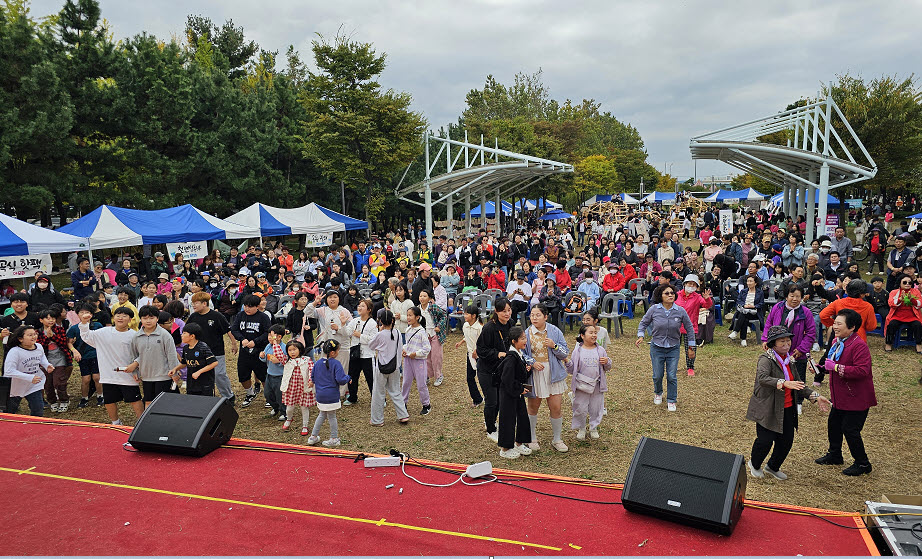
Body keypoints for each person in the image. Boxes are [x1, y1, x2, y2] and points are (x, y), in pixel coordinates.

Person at [746, 325, 830, 480]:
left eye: (788, 340)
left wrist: (816, 396)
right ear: (772, 344)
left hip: (788, 408)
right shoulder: (766, 359)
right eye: (781, 341)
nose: (786, 344)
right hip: (769, 407)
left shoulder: (789, 360)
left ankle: (773, 466)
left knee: (786, 442)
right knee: (765, 441)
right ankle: (755, 464)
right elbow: (763, 379)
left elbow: (798, 383)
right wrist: (784, 383)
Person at [814, 309, 877, 476]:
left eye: (839, 324)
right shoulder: (837, 341)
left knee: (850, 430)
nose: (834, 326)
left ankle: (863, 463)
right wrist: (820, 368)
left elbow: (862, 371)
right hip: (840, 396)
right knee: (834, 425)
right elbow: (831, 363)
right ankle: (835, 455)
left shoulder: (859, 345)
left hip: (856, 397)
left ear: (852, 327)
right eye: (834, 323)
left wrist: (835, 367)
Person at [78, 306, 143, 425]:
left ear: (130, 320)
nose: (120, 318)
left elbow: (142, 354)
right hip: (108, 374)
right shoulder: (104, 332)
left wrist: (136, 368)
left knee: (135, 399)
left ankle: (142, 422)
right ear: (113, 318)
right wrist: (84, 322)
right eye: (118, 315)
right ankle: (115, 422)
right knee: (109, 400)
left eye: (124, 316)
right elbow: (86, 336)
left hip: (127, 375)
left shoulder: (135, 336)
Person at [636, 284, 695, 412]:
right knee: (657, 375)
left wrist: (691, 346)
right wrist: (641, 335)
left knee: (672, 375)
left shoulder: (680, 311)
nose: (670, 295)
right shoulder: (654, 309)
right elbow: (643, 323)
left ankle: (672, 400)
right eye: (666, 293)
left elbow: (689, 328)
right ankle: (658, 392)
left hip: (673, 347)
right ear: (660, 296)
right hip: (657, 346)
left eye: (672, 293)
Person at [523, 304, 570, 452]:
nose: (534, 318)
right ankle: (531, 438)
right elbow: (521, 353)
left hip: (553, 373)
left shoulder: (555, 331)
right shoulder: (526, 333)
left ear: (545, 316)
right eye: (532, 315)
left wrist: (554, 346)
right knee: (532, 406)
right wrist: (532, 362)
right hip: (534, 375)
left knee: (556, 406)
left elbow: (565, 352)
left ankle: (557, 439)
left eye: (537, 315)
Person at [125, 305, 181, 406]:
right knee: (148, 402)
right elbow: (134, 355)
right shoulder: (136, 336)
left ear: (157, 318)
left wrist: (175, 372)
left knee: (163, 404)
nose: (148, 321)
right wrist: (135, 371)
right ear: (140, 319)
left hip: (164, 376)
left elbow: (171, 355)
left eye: (151, 318)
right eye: (145, 318)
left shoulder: (165, 335)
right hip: (146, 376)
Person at [476, 298, 513, 442]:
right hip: (486, 370)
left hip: (501, 370)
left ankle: (491, 422)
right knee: (492, 401)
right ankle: (490, 429)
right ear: (496, 312)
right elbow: (481, 350)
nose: (507, 313)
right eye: (503, 311)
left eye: (509, 310)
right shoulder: (489, 328)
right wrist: (497, 354)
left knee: (499, 400)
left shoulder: (510, 324)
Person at [567, 324, 611, 440]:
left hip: (597, 385)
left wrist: (607, 361)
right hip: (581, 385)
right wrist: (567, 362)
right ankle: (581, 427)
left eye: (595, 333)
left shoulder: (600, 350)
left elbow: (607, 367)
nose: (594, 335)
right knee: (580, 408)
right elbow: (572, 369)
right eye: (590, 333)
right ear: (582, 335)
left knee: (596, 408)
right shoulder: (578, 351)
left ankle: (593, 427)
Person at [497, 326, 533, 460]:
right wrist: (519, 389)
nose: (525, 340)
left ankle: (519, 442)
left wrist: (527, 370)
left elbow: (518, 375)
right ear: (514, 341)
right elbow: (506, 379)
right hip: (508, 393)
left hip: (516, 392)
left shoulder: (518, 354)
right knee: (508, 419)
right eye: (522, 338)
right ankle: (505, 448)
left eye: (525, 337)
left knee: (522, 416)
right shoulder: (511, 358)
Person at [368, 309, 409, 425]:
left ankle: (377, 419)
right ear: (392, 320)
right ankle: (403, 415)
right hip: (395, 367)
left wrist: (379, 331)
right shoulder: (397, 333)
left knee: (378, 393)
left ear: (380, 321)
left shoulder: (380, 335)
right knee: (395, 391)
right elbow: (400, 347)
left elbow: (371, 345)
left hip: (381, 367)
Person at [304, 340, 350, 447]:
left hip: (320, 395)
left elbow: (313, 378)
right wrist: (348, 377)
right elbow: (341, 379)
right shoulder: (336, 364)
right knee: (332, 416)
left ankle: (313, 436)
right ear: (332, 353)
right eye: (338, 350)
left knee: (322, 415)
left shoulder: (318, 363)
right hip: (332, 395)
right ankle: (334, 438)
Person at [230, 295, 272, 407]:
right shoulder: (241, 315)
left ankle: (269, 396)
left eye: (250, 307)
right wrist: (242, 339)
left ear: (257, 306)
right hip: (244, 350)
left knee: (263, 375)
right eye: (245, 306)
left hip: (260, 351)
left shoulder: (263, 317)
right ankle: (250, 393)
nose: (247, 309)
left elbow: (267, 332)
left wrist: (256, 341)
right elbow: (234, 329)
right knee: (243, 374)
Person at [3, 325, 52, 416]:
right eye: (30, 335)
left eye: (35, 334)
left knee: (38, 409)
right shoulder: (15, 352)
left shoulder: (39, 346)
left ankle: (35, 427)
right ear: (20, 339)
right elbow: (8, 371)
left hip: (34, 384)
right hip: (15, 386)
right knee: (9, 412)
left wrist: (47, 365)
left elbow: (41, 358)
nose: (34, 337)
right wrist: (29, 377)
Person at [674, 274, 713, 377]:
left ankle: (690, 367)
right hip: (676, 326)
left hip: (690, 327)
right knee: (673, 348)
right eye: (689, 283)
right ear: (684, 284)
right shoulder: (677, 295)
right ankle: (672, 366)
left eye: (693, 284)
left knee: (691, 348)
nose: (691, 286)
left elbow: (706, 305)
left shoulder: (697, 297)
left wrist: (707, 299)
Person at [36, 309, 73, 412]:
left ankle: (64, 400)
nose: (51, 320)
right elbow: (40, 346)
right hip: (45, 361)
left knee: (59, 381)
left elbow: (63, 343)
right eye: (47, 318)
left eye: (52, 318)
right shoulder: (38, 332)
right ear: (41, 320)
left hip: (60, 359)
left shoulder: (59, 330)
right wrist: (47, 337)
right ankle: (52, 401)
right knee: (48, 383)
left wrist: (53, 336)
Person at [170, 322, 218, 397]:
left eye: (184, 333)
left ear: (192, 336)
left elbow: (214, 363)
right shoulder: (186, 348)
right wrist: (175, 369)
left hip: (205, 384)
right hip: (191, 383)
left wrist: (199, 372)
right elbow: (184, 363)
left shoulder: (202, 347)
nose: (181, 335)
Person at [345, 299, 377, 405]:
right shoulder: (355, 320)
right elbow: (348, 332)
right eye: (359, 305)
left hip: (368, 354)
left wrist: (360, 336)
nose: (359, 307)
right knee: (353, 375)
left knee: (371, 377)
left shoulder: (372, 323)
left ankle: (377, 398)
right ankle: (352, 397)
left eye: (363, 306)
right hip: (355, 353)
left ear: (369, 310)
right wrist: (342, 324)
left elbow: (373, 340)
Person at [401, 306, 432, 415]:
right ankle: (403, 403)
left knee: (421, 384)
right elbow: (407, 344)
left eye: (410, 315)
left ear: (417, 317)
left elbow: (427, 348)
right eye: (407, 315)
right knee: (406, 382)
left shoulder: (421, 332)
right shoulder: (408, 329)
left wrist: (416, 354)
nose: (408, 318)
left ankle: (426, 404)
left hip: (419, 361)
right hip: (408, 360)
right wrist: (404, 350)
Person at [280, 340, 315, 434]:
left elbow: (312, 370)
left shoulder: (307, 360)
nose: (292, 352)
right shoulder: (286, 360)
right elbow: (278, 354)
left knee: (304, 407)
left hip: (303, 388)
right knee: (289, 407)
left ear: (300, 350)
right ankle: (289, 419)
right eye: (289, 350)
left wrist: (311, 380)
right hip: (291, 388)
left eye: (294, 349)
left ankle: (305, 425)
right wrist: (275, 342)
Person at [455, 304, 484, 408]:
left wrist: (477, 351)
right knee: (470, 378)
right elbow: (467, 336)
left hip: (481, 356)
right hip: (470, 355)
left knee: (483, 378)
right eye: (464, 313)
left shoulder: (480, 328)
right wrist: (461, 342)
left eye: (467, 314)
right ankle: (477, 399)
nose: (465, 315)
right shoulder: (465, 325)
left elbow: (483, 342)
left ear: (474, 316)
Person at [884, 273, 922, 352]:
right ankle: (888, 344)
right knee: (891, 324)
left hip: (912, 316)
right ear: (900, 283)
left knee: (918, 325)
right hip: (897, 316)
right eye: (905, 282)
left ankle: (918, 344)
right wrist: (900, 299)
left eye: (910, 282)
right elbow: (891, 303)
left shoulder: (916, 291)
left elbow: (920, 304)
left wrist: (912, 300)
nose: (907, 284)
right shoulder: (894, 292)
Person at [417, 288, 447, 386]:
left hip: (435, 334)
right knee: (426, 357)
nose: (422, 298)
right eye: (420, 296)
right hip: (424, 336)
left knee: (436, 356)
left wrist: (439, 326)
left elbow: (444, 316)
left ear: (429, 298)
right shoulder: (417, 309)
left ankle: (438, 375)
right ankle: (428, 376)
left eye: (424, 296)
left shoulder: (433, 307)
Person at [728, 275, 764, 347]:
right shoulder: (743, 291)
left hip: (754, 312)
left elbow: (761, 303)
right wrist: (744, 305)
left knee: (744, 314)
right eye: (748, 281)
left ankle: (736, 332)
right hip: (743, 310)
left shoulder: (760, 292)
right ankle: (743, 339)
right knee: (744, 314)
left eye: (751, 281)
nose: (749, 283)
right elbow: (739, 300)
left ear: (755, 283)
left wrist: (753, 306)